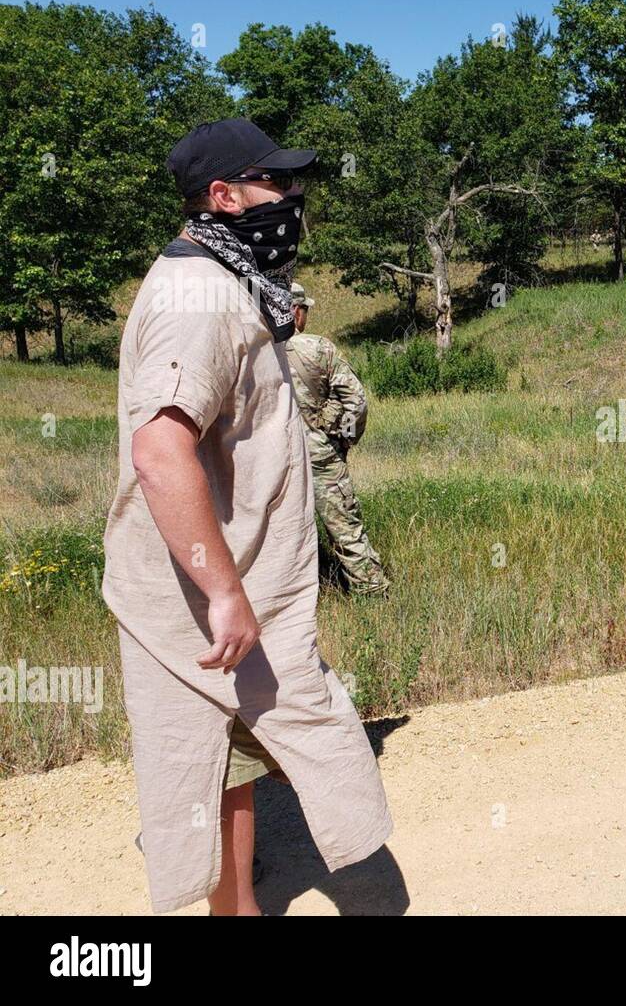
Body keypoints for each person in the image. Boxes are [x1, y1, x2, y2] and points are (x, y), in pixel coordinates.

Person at [103, 117, 393, 915]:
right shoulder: (196, 296)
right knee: (210, 758)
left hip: (234, 579)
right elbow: (161, 452)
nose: (293, 197)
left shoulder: (228, 278)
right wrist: (225, 591)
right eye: (277, 183)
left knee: (234, 757)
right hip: (203, 597)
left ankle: (237, 900)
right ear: (224, 195)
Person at [283, 284, 390, 595]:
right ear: (295, 311)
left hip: (269, 458)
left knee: (277, 535)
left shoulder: (252, 349)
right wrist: (343, 439)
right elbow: (356, 402)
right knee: (345, 529)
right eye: (305, 310)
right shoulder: (318, 349)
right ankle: (370, 592)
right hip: (319, 454)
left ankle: (288, 600)